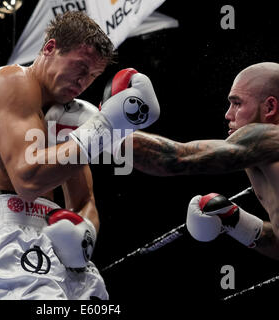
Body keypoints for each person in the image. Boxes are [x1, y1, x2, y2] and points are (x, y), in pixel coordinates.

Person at [0, 11, 160, 300]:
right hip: (7, 241)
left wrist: (84, 235)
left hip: (61, 254)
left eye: (93, 76)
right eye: (80, 67)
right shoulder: (12, 80)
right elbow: (28, 180)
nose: (84, 82)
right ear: (50, 48)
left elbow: (84, 200)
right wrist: (105, 126)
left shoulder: (69, 117)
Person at [117, 62, 279, 260]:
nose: (228, 114)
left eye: (237, 103)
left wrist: (107, 128)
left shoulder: (267, 138)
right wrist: (237, 222)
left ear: (270, 107)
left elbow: (175, 158)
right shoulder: (264, 157)